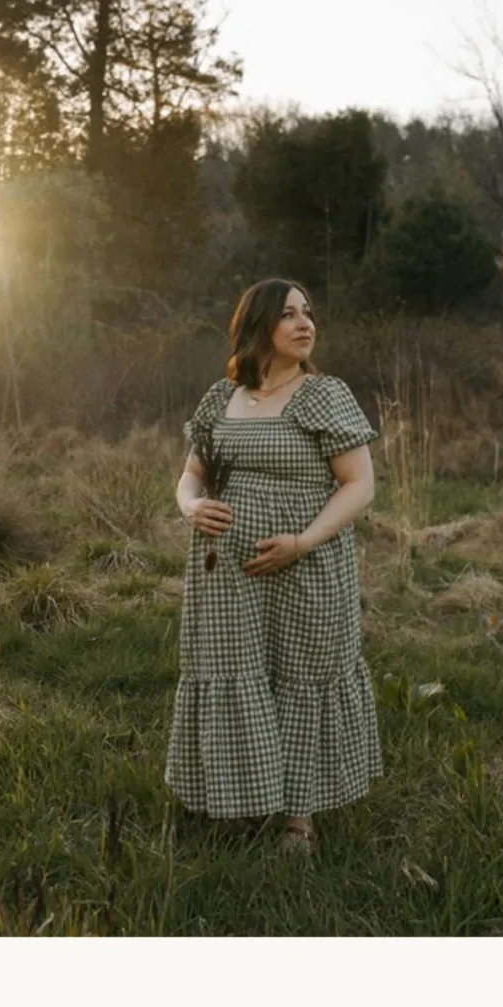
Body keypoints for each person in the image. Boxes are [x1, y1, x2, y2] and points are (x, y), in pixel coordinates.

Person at [165, 277, 383, 851]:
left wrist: (302, 542)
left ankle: (298, 822)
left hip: (305, 565)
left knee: (300, 677)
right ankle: (241, 798)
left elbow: (360, 486)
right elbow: (191, 475)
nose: (305, 322)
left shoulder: (325, 395)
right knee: (237, 672)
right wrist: (192, 507)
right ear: (259, 323)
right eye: (289, 314)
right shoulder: (221, 397)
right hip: (226, 571)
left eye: (308, 312)